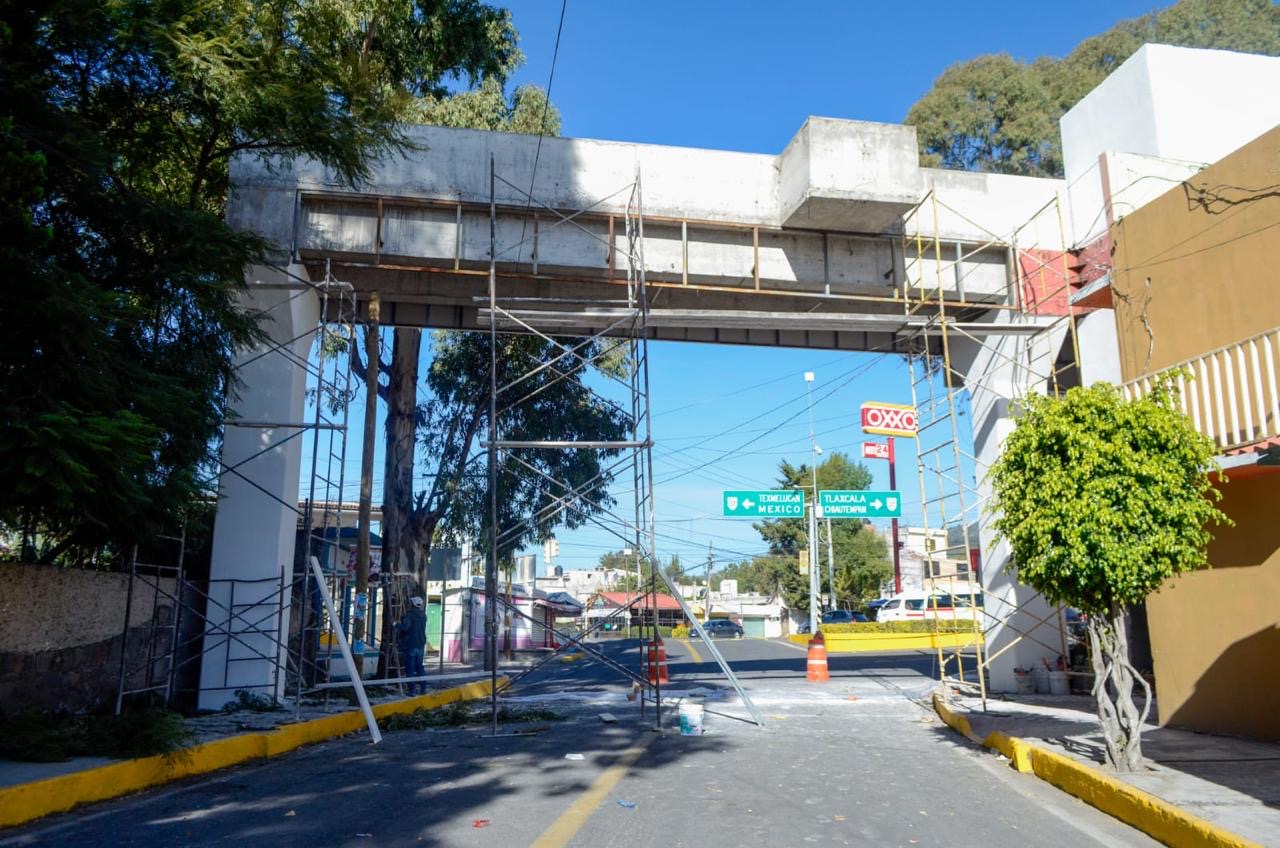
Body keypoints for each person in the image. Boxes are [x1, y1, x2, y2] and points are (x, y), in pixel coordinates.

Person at [395, 596, 428, 695]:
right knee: (419, 667)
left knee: (410, 669)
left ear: (412, 604)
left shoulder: (409, 615)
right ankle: (423, 689)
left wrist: (395, 624)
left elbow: (405, 628)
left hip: (410, 645)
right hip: (420, 645)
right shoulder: (423, 615)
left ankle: (412, 691)